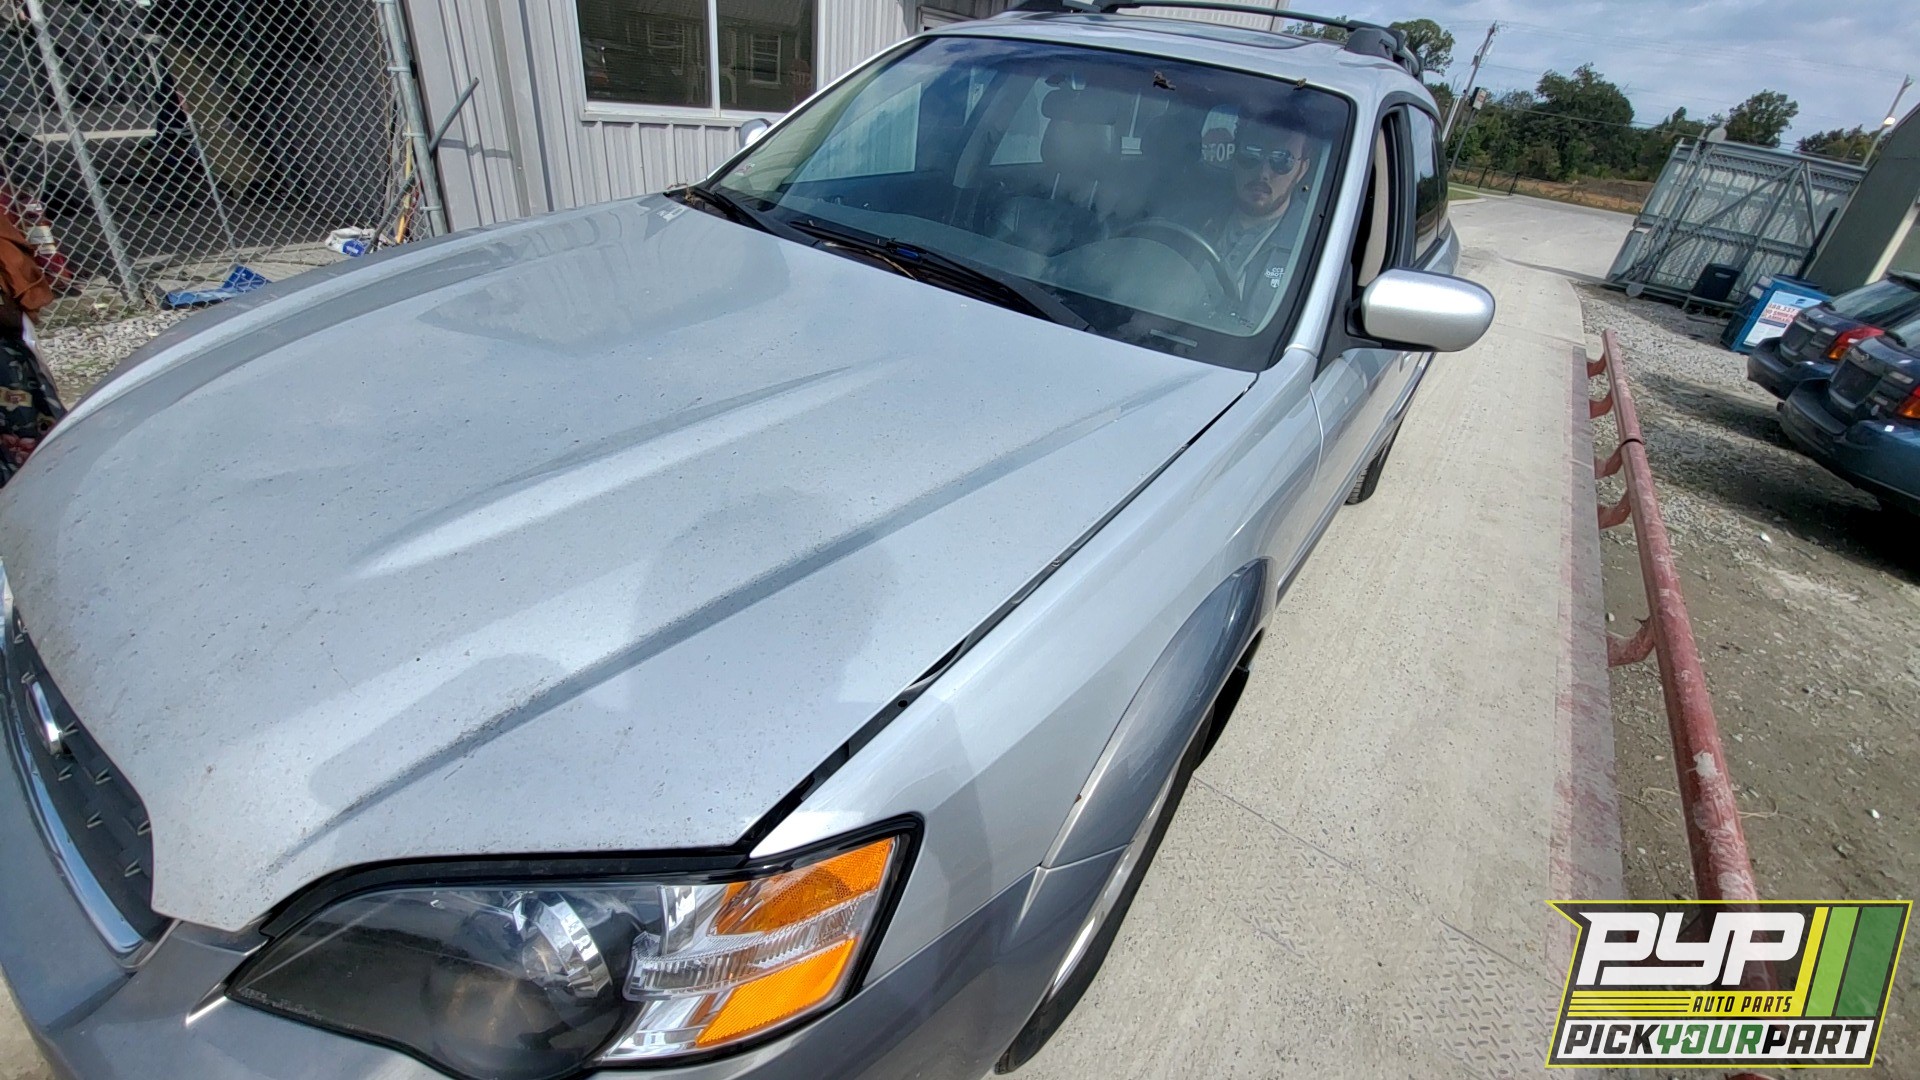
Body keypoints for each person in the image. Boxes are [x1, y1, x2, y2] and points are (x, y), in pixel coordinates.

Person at [1198, 118, 1319, 310]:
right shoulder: (1190, 216)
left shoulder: (1317, 246)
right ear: (1234, 157)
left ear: (1302, 169)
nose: (1263, 172)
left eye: (1282, 160)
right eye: (1250, 154)